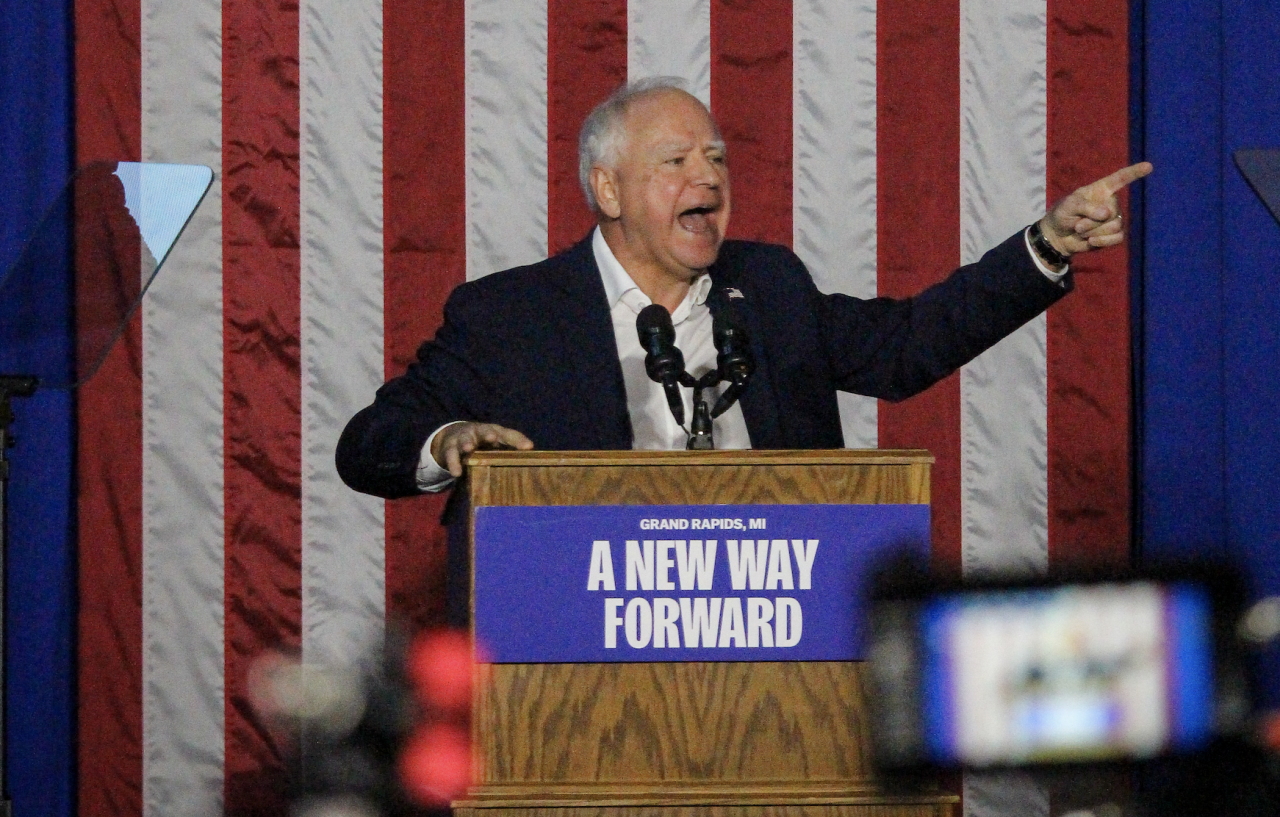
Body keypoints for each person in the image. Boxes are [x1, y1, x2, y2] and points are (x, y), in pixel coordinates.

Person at [336, 77, 1151, 500]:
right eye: (678, 161)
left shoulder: (766, 289)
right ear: (609, 190)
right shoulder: (509, 316)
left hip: (776, 666)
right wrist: (448, 442)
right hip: (581, 679)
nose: (710, 177)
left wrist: (1043, 245)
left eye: (718, 158)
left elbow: (907, 348)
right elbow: (370, 439)